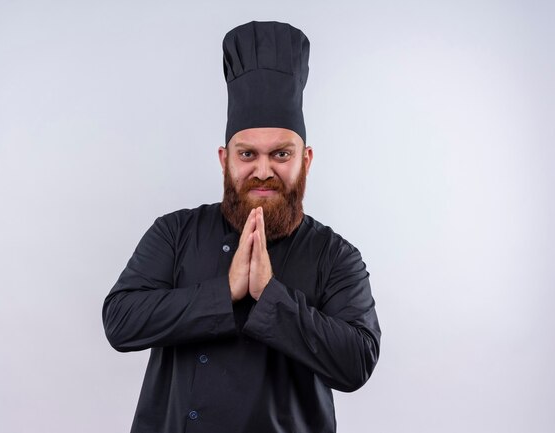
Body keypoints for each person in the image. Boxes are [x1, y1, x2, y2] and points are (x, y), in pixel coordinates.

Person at [102, 20, 381, 433]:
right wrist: (223, 293)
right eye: (247, 153)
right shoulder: (175, 232)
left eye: (281, 154)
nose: (263, 171)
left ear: (305, 160)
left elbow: (356, 362)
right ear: (224, 159)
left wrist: (270, 296)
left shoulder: (335, 256)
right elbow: (120, 321)